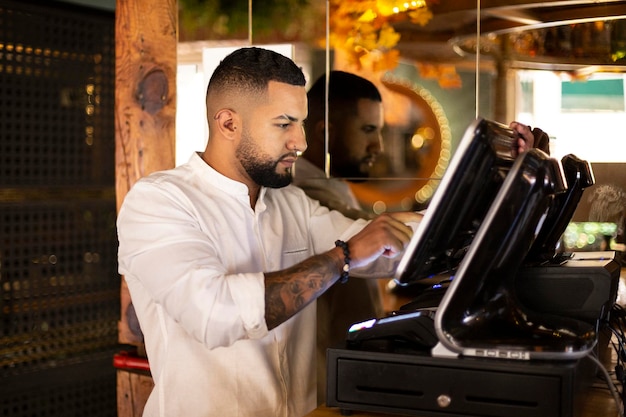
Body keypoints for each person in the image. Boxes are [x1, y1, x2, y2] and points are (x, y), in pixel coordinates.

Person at [116, 47, 422, 417]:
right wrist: (343, 256)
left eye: (302, 124)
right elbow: (214, 313)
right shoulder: (159, 201)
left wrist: (497, 200)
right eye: (284, 124)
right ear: (228, 124)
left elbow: (388, 248)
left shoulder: (291, 203)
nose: (302, 142)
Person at [293, 71, 386, 404]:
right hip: (323, 384)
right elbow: (382, 245)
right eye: (367, 130)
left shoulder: (337, 186)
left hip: (347, 372)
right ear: (325, 131)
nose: (379, 146)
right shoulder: (306, 192)